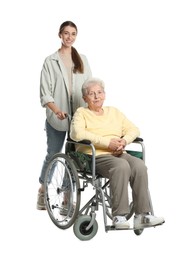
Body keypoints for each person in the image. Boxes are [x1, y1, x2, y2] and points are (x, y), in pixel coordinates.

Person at [70, 78, 165, 230]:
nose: (96, 96)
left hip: (119, 152)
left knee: (139, 166)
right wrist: (108, 143)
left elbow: (133, 129)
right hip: (95, 156)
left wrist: (123, 142)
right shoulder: (81, 113)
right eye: (91, 94)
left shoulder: (114, 112)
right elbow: (77, 133)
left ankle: (142, 215)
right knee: (121, 166)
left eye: (99, 92)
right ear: (84, 98)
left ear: (105, 94)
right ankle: (119, 216)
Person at [37, 21, 92, 210]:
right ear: (60, 35)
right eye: (66, 33)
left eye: (73, 34)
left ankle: (67, 199)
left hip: (78, 118)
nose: (70, 37)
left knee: (73, 157)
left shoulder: (82, 59)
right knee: (53, 153)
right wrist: (56, 110)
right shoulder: (50, 61)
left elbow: (89, 87)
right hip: (57, 117)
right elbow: (46, 93)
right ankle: (43, 190)